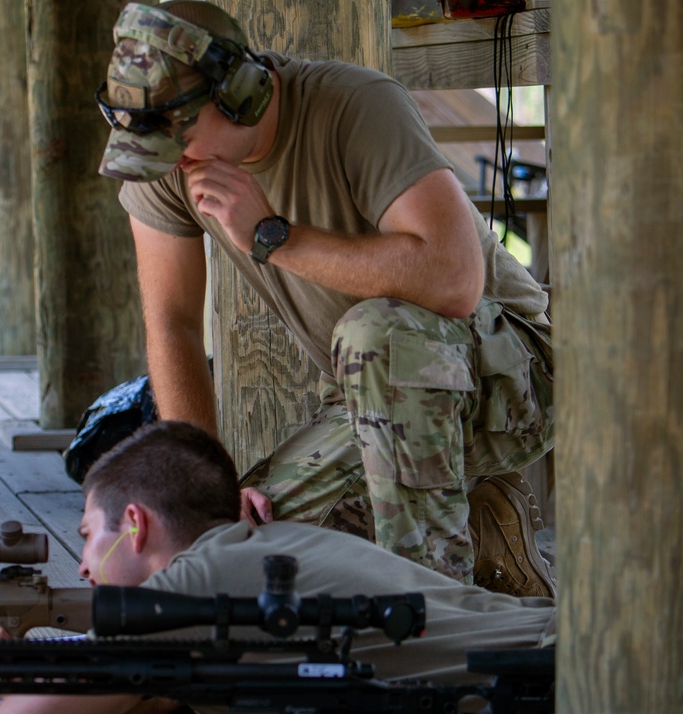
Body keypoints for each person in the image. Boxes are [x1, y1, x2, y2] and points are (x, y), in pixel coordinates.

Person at [94, 1, 556, 595]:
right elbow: (173, 324)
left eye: (179, 141)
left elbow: (454, 280)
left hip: (516, 373)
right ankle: (485, 524)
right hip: (375, 392)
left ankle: (442, 621)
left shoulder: (356, 104)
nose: (171, 163)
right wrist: (202, 493)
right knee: (240, 544)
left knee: (377, 334)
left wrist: (273, 236)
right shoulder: (165, 159)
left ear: (240, 92)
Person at [0, 420, 555, 714]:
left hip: (573, 683)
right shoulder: (255, 551)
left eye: (90, 537)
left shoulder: (195, 585)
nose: (85, 569)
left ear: (136, 525)